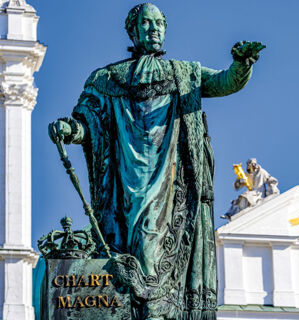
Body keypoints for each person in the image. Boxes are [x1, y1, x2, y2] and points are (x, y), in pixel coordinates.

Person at [47, 3, 265, 319]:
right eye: (147, 24)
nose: (154, 29)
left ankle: (153, 306)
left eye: (159, 24)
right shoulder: (108, 78)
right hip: (126, 178)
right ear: (133, 31)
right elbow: (88, 123)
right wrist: (69, 129)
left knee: (156, 239)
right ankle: (139, 303)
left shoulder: (184, 72)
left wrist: (242, 64)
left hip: (172, 178)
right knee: (133, 238)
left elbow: (224, 82)